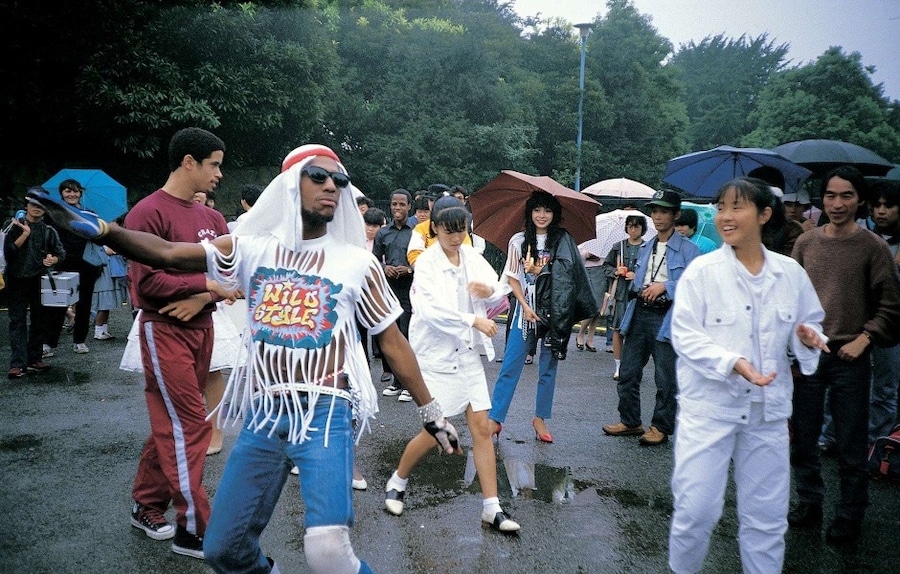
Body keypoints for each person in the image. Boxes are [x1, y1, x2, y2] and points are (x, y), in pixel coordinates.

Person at [27, 142, 461, 574]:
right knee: (223, 549)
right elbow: (166, 253)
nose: (333, 186)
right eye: (319, 177)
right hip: (266, 413)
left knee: (327, 550)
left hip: (327, 409)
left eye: (340, 181)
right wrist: (104, 231)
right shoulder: (252, 250)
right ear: (291, 186)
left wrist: (432, 412)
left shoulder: (356, 263)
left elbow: (393, 342)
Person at [667, 177, 828, 574]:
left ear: (764, 214)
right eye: (721, 207)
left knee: (767, 521)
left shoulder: (789, 273)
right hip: (710, 410)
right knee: (696, 512)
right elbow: (684, 335)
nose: (725, 216)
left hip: (768, 413)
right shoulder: (702, 272)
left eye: (737, 207)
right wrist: (733, 362)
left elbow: (811, 323)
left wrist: (808, 338)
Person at [121, 127, 233, 558]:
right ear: (189, 161)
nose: (219, 174)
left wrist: (203, 295)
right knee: (190, 424)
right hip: (163, 328)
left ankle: (146, 504)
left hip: (203, 326)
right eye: (214, 164)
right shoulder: (147, 213)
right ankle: (194, 526)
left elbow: (231, 275)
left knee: (174, 421)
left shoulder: (213, 219)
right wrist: (204, 284)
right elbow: (146, 283)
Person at [385, 196, 520, 533]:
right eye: (449, 231)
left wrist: (486, 289)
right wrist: (472, 319)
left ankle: (492, 507)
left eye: (461, 231)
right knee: (436, 433)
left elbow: (497, 289)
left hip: (467, 355)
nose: (456, 238)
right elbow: (430, 312)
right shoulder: (427, 264)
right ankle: (398, 480)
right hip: (436, 356)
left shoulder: (470, 254)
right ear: (435, 228)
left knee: (483, 430)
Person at [789, 166, 900, 546]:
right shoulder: (806, 243)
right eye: (831, 195)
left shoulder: (874, 246)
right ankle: (809, 501)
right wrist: (794, 337)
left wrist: (865, 338)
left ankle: (851, 512)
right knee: (803, 437)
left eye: (847, 196)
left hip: (850, 356)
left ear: (860, 200)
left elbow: (890, 306)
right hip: (807, 354)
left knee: (851, 444)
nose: (837, 204)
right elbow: (790, 300)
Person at [488, 190, 595, 443]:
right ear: (530, 212)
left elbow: (569, 274)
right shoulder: (518, 241)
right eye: (537, 210)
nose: (542, 215)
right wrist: (524, 305)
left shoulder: (563, 240)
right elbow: (512, 276)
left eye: (547, 210)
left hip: (555, 312)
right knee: (510, 364)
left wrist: (542, 269)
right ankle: (496, 418)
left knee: (548, 367)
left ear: (555, 214)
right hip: (526, 312)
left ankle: (540, 418)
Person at [602, 189, 702, 446]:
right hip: (639, 312)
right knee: (628, 370)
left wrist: (665, 287)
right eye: (655, 211)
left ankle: (660, 426)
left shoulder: (690, 250)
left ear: (676, 214)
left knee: (665, 376)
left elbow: (696, 285)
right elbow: (640, 277)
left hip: (667, 316)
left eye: (664, 211)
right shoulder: (647, 246)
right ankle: (630, 421)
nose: (658, 217)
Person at [3, 193, 64, 378]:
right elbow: (9, 253)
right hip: (15, 278)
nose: (37, 208)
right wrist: (25, 234)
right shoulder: (13, 225)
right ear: (26, 205)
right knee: (17, 321)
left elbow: (61, 253)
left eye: (41, 205)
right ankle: (17, 363)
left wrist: (54, 258)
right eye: (33, 204)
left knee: (39, 319)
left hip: (40, 278)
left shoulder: (49, 230)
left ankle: (34, 359)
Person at [44, 178, 103, 355]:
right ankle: (49, 343)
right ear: (61, 193)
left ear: (80, 193)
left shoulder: (89, 213)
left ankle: (80, 341)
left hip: (86, 262)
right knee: (57, 304)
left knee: (84, 303)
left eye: (75, 191)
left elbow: (98, 235)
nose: (72, 194)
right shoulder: (53, 213)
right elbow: (48, 238)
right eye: (68, 191)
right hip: (62, 262)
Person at [866, 179, 900, 443]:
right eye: (876, 205)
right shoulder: (861, 236)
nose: (881, 211)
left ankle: (877, 441)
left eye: (889, 206)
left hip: (893, 325)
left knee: (886, 386)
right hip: (859, 319)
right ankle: (831, 436)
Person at [372, 188, 415, 401]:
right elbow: (374, 260)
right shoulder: (383, 233)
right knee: (390, 334)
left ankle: (408, 384)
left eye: (401, 204)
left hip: (410, 289)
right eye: (394, 204)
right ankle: (397, 382)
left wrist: (409, 268)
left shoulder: (416, 232)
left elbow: (423, 259)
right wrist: (384, 267)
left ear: (409, 206)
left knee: (407, 334)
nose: (397, 208)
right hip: (388, 290)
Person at [601, 214, 647, 380]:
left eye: (637, 226)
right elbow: (605, 267)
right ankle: (619, 367)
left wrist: (637, 276)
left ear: (643, 228)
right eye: (630, 226)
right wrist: (615, 272)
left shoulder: (648, 247)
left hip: (639, 296)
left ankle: (634, 367)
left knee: (636, 333)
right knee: (618, 330)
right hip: (620, 294)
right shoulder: (618, 247)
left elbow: (652, 272)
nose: (633, 229)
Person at [574, 239, 607, 353]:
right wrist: (589, 253)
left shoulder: (606, 241)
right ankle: (580, 334)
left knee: (598, 308)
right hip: (588, 271)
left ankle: (590, 339)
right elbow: (578, 255)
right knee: (592, 306)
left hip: (602, 272)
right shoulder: (587, 239)